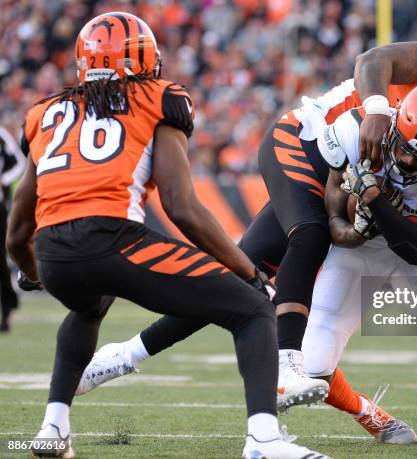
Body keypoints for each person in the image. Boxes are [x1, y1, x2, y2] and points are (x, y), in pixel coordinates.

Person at [75, 19, 417, 417]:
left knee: (236, 277)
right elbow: (372, 65)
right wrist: (375, 112)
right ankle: (288, 368)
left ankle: (122, 356)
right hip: (320, 146)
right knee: (305, 236)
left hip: (362, 188)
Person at [6, 11, 328, 459]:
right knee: (253, 309)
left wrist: (34, 272)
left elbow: (18, 230)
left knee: (88, 305)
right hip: (113, 238)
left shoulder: (42, 114)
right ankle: (264, 442)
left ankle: (52, 428)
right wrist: (247, 270)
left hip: (54, 252)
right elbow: (182, 207)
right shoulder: (158, 97)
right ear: (145, 60)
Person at [302, 79, 417, 446]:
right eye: (403, 147)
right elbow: (335, 220)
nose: (405, 160)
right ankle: (368, 414)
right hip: (359, 251)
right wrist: (352, 233)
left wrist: (376, 201)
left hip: (415, 247)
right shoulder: (357, 130)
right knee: (314, 367)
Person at [0, 126, 25, 332]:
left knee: (1, 261)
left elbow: (19, 162)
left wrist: (4, 180)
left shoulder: (1, 135)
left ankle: (7, 309)